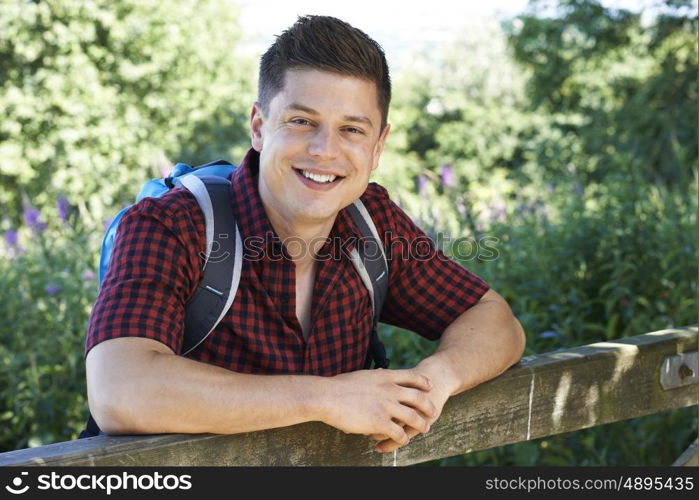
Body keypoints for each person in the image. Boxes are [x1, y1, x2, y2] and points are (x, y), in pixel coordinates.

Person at [84, 15, 525, 454]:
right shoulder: (172, 225)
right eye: (301, 121)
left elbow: (493, 319)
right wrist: (327, 398)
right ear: (259, 126)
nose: (324, 150)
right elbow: (120, 391)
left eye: (351, 129)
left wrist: (433, 384)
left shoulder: (372, 221)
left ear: (377, 147)